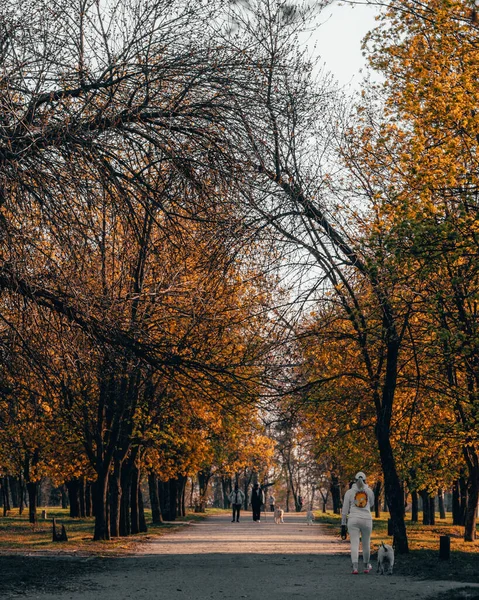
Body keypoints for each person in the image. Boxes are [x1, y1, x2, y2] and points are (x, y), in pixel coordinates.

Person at [340, 471, 375, 574]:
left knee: (354, 544)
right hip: (367, 520)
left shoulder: (349, 492)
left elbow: (345, 510)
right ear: (365, 480)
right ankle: (366, 566)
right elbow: (372, 504)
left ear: (354, 481)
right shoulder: (369, 491)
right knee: (366, 543)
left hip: (353, 519)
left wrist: (343, 524)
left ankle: (355, 568)